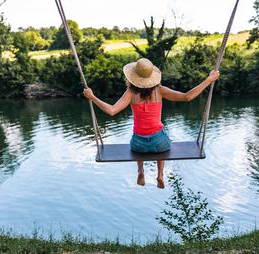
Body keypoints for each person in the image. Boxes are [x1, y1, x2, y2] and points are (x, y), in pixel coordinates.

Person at [83, 58, 219, 188]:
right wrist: (209, 80)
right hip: (160, 144)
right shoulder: (159, 90)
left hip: (138, 146)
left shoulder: (130, 93)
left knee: (137, 134)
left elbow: (112, 111)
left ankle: (141, 172)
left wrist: (92, 97)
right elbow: (187, 96)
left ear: (133, 77)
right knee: (163, 135)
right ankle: (160, 175)